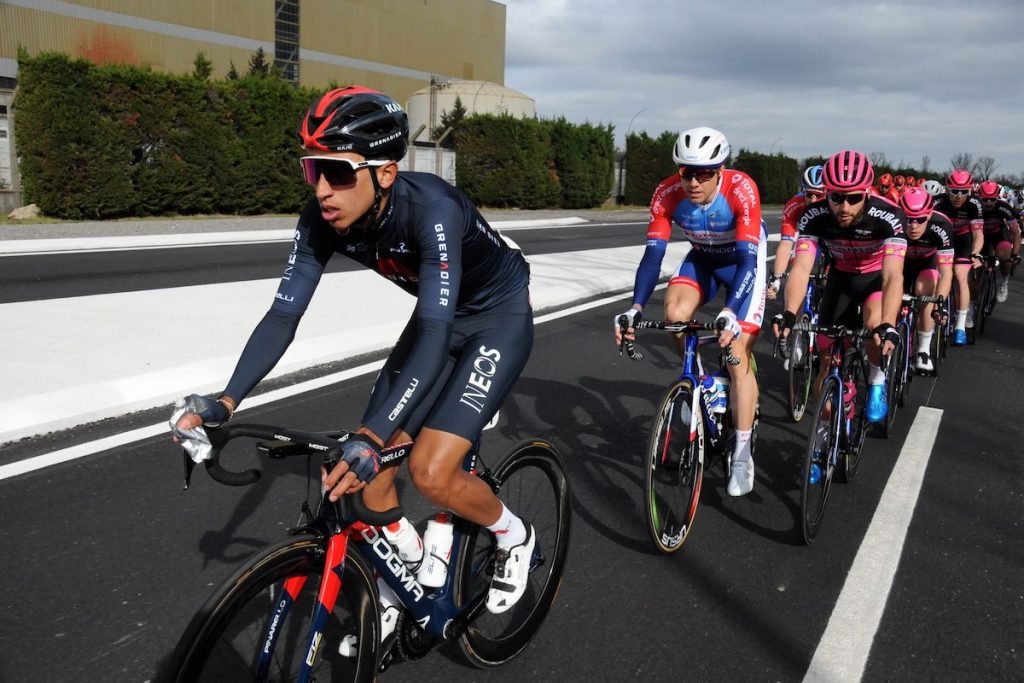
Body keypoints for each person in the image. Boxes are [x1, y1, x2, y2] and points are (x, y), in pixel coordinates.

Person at [170, 86, 537, 618]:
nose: (323, 190)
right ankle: (408, 578)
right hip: (438, 317)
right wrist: (225, 402)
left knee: (431, 474)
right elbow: (282, 315)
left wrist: (371, 435)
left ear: (385, 172)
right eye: (312, 170)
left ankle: (514, 534)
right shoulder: (320, 218)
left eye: (338, 173)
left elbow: (435, 333)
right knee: (368, 478)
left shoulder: (431, 209)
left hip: (495, 318)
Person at [614, 126, 766, 497]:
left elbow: (748, 261)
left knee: (735, 352)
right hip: (703, 259)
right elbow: (653, 257)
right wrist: (634, 309)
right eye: (686, 172)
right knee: (674, 316)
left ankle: (743, 455)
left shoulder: (741, 189)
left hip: (744, 263)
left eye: (704, 173)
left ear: (721, 170)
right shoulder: (667, 194)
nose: (693, 182)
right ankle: (699, 386)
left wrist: (731, 311)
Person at [775, 150, 906, 423]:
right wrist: (789, 312)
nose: (844, 207)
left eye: (854, 198)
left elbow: (893, 276)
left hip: (873, 280)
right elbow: (801, 268)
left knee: (874, 327)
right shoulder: (813, 215)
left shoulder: (889, 216)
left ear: (867, 194)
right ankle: (824, 434)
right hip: (840, 278)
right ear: (827, 193)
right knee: (826, 356)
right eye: (836, 197)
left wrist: (889, 323)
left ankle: (877, 381)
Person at [898, 187, 954, 373]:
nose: (913, 226)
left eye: (920, 220)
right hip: (900, 261)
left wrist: (940, 303)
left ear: (929, 216)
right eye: (908, 219)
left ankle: (923, 350)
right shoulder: (893, 221)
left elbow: (946, 272)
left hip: (926, 262)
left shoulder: (942, 225)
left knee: (926, 291)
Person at [932, 170, 984, 345]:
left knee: (961, 276)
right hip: (940, 239)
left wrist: (975, 253)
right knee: (936, 274)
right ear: (947, 190)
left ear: (970, 191)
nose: (959, 196)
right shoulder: (938, 202)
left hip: (962, 240)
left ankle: (960, 326)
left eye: (964, 192)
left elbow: (977, 233)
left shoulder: (974, 204)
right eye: (954, 191)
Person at [767, 165, 824, 302]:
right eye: (809, 195)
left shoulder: (836, 205)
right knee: (795, 271)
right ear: (803, 192)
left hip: (831, 239)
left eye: (819, 195)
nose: (814, 200)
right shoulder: (794, 205)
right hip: (808, 238)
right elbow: (786, 244)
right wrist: (777, 278)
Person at [975, 180, 1021, 303]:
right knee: (976, 270)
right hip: (980, 236)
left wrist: (1015, 254)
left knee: (1005, 257)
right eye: (985, 200)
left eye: (992, 199)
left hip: (998, 235)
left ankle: (1004, 282)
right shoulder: (974, 206)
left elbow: (1015, 232)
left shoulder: (1004, 207)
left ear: (998, 197)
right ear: (979, 197)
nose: (989, 203)